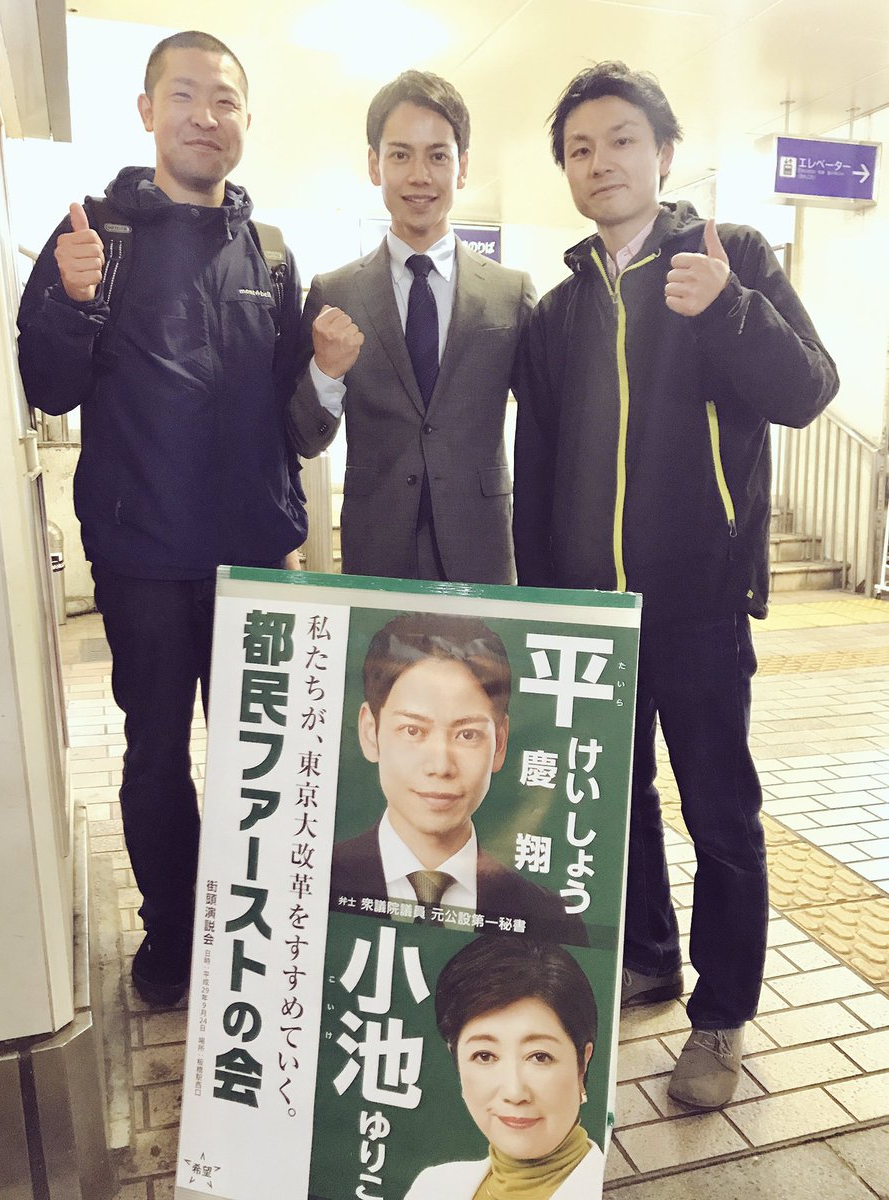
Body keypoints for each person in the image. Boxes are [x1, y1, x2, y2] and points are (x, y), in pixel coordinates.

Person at [513, 62, 839, 1108]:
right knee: (620, 804)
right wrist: (546, 608)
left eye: (620, 140)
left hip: (698, 602)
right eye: (580, 149)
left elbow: (809, 390)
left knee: (722, 812)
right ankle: (648, 960)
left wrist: (731, 310)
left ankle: (722, 1015)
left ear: (662, 153)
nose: (600, 162)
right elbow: (537, 467)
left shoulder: (728, 258)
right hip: (595, 612)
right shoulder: (558, 311)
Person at [17, 31, 307, 1007]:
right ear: (148, 112)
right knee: (155, 756)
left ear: (245, 120)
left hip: (254, 558)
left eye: (223, 100)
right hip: (142, 556)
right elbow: (48, 385)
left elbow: (291, 405)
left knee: (260, 761)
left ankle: (259, 927)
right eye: (183, 96)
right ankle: (174, 930)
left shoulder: (270, 252)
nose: (204, 116)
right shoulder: (96, 236)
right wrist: (72, 300)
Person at [287, 71, 536, 584]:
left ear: (462, 168)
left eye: (438, 156)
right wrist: (325, 373)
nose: (419, 175)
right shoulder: (335, 292)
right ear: (374, 164)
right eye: (400, 154)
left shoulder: (509, 292)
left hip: (481, 548)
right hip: (376, 549)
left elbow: (547, 425)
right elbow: (304, 439)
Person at [330, 613, 588, 946]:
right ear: (370, 732)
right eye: (413, 730)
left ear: (500, 742)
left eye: (467, 734)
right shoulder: (308, 880)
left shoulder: (550, 919)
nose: (440, 766)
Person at [404, 937, 604, 1200]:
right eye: (484, 1055)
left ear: (582, 1063)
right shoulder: (432, 1186)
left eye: (540, 1056)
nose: (514, 1092)